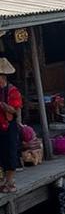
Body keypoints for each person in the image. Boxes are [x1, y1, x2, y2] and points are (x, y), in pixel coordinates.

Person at [0, 56, 23, 193]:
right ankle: (4, 181)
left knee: (10, 153)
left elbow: (15, 109)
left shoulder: (12, 91)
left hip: (9, 126)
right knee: (1, 154)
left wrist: (3, 106)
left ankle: (10, 181)